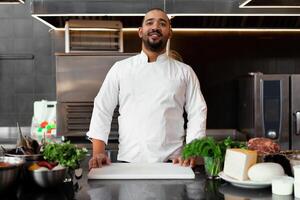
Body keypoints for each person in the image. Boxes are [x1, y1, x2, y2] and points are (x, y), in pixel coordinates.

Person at [87, 8, 207, 170]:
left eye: (162, 23)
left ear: (169, 33)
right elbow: (102, 108)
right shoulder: (121, 69)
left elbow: (197, 111)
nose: (155, 26)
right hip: (129, 163)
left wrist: (191, 150)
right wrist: (98, 152)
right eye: (150, 22)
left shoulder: (185, 72)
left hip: (173, 164)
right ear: (140, 31)